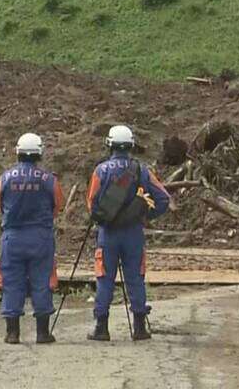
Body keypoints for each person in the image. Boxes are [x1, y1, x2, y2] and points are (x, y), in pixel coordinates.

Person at [85, 125, 170, 341]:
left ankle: (101, 328)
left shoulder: (100, 170)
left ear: (109, 144)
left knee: (104, 279)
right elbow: (163, 199)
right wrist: (144, 216)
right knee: (135, 279)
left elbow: (92, 203)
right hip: (133, 234)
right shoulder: (141, 170)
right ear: (131, 145)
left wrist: (103, 218)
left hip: (108, 233)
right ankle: (140, 328)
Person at [0, 132, 65, 344]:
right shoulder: (49, 180)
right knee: (42, 281)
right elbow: (58, 206)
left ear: (18, 152)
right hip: (40, 238)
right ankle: (42, 333)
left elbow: (1, 205)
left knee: (11, 283)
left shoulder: (5, 178)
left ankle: (12, 333)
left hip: (12, 238)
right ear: (39, 153)